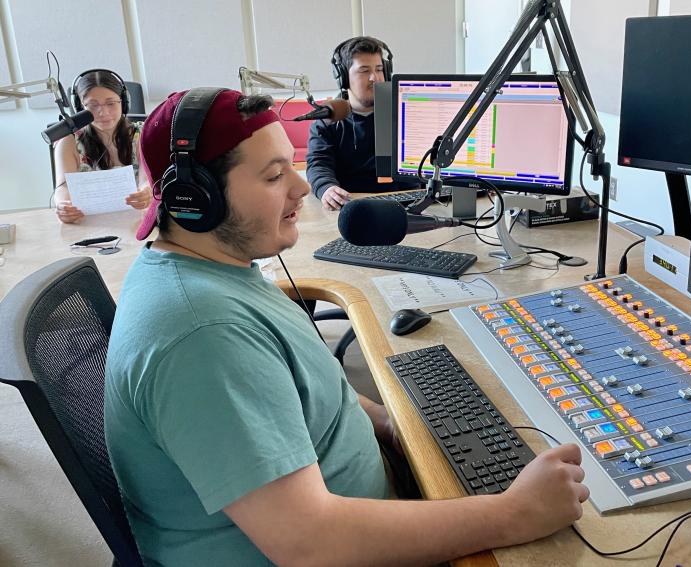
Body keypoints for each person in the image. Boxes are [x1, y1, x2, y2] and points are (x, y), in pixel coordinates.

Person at [105, 87, 589, 566]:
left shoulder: (214, 270)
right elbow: (310, 544)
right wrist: (514, 513)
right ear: (194, 199)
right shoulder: (204, 336)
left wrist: (386, 421)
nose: (299, 188)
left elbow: (302, 386)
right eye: (275, 176)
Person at [307, 36, 417, 211]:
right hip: (352, 206)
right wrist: (326, 188)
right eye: (364, 70)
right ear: (343, 77)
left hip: (405, 205)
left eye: (379, 69)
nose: (375, 78)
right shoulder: (327, 121)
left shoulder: (406, 114)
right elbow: (319, 164)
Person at [52, 69, 151, 223]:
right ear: (80, 108)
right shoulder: (68, 141)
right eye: (92, 105)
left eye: (111, 103)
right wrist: (63, 206)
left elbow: (146, 181)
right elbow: (63, 187)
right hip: (88, 223)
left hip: (136, 220)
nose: (103, 112)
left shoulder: (142, 135)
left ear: (124, 103)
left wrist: (146, 192)